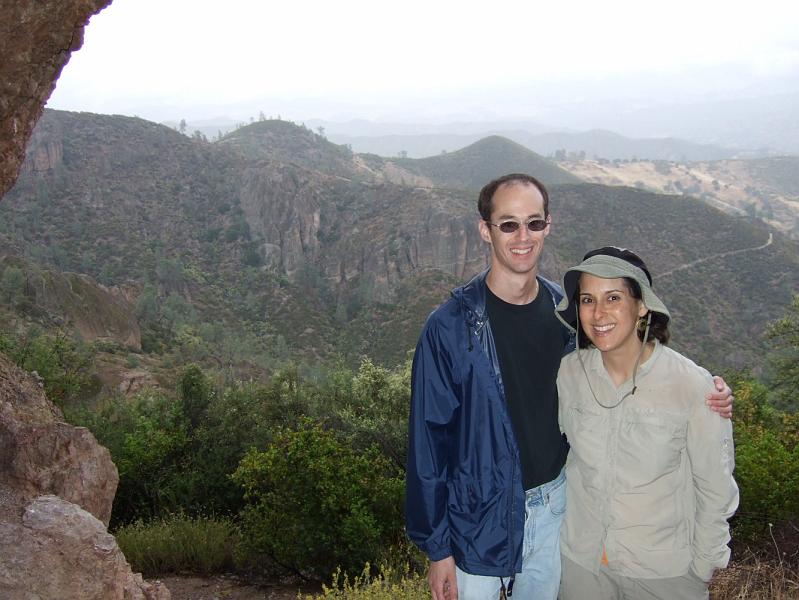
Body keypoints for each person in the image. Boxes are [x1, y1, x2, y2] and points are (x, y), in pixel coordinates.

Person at [405, 173, 733, 600]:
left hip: (558, 514)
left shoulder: (567, 317)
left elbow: (626, 359)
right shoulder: (449, 327)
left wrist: (707, 391)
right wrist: (437, 548)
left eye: (533, 223)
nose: (523, 236)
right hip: (478, 522)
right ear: (485, 230)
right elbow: (427, 445)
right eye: (508, 224)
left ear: (548, 225)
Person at [555, 247, 739, 600]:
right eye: (588, 299)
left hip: (663, 573)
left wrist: (702, 568)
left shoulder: (692, 386)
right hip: (582, 567)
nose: (599, 313)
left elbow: (716, 489)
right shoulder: (569, 374)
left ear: (642, 306)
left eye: (613, 298)